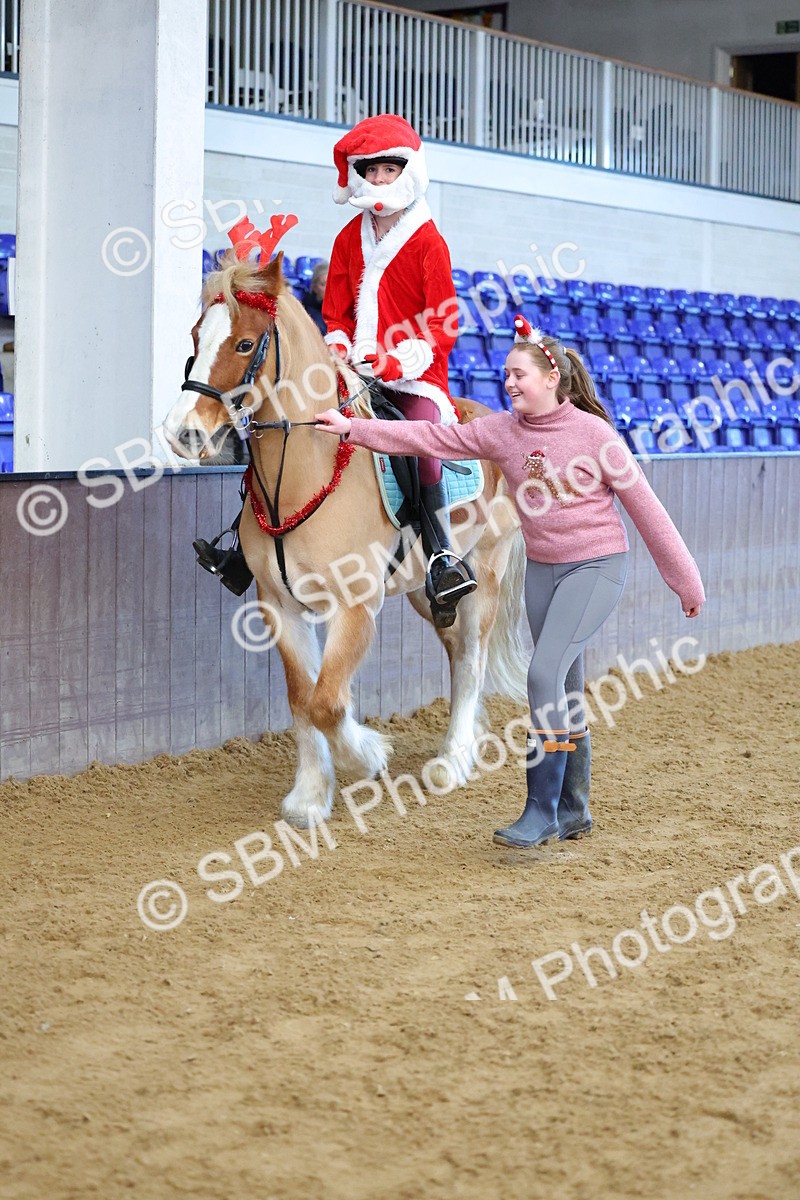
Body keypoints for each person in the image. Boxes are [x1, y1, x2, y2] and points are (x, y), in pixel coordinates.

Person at [314, 316, 706, 849]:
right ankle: (574, 809)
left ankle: (540, 809)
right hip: (543, 571)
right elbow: (430, 436)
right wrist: (353, 428)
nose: (509, 382)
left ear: (551, 378)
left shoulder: (594, 434)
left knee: (542, 675)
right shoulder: (502, 430)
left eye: (519, 374)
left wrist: (686, 581)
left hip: (595, 568)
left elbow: (647, 509)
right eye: (505, 374)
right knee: (564, 684)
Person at [322, 112, 476, 627]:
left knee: (421, 442)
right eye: (371, 171)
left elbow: (444, 323)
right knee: (299, 423)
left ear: (407, 172)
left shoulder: (429, 241)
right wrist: (339, 345)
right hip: (354, 371)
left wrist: (395, 360)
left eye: (389, 170)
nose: (379, 179)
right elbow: (335, 312)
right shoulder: (348, 238)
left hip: (415, 375)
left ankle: (441, 555)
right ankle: (246, 541)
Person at [301, 261, 328, 335]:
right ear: (315, 287)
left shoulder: (340, 310)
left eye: (331, 283)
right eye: (323, 284)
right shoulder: (307, 312)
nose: (329, 288)